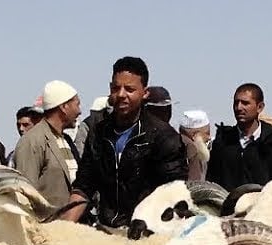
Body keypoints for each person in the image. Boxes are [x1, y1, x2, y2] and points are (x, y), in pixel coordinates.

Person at [61, 56, 186, 229]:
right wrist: (62, 228)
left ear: (145, 92)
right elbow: (83, 186)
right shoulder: (99, 132)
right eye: (115, 88)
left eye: (129, 89)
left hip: (148, 233)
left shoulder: (164, 136)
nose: (121, 95)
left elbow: (174, 191)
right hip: (105, 231)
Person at [206, 83, 272, 190]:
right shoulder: (223, 141)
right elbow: (213, 180)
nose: (239, 107)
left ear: (259, 107)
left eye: (245, 103)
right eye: (236, 103)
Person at [12, 80, 81, 207]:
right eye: (77, 105)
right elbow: (25, 195)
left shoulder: (66, 140)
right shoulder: (32, 141)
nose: (79, 111)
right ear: (64, 107)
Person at [179, 109, 211, 182]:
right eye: (207, 133)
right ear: (194, 135)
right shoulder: (191, 149)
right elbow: (194, 185)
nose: (209, 137)